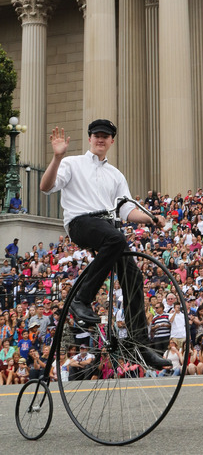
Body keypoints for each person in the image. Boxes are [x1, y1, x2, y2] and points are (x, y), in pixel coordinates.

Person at [40, 121, 171, 371]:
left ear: (112, 141)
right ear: (89, 139)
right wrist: (57, 157)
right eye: (96, 135)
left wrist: (151, 218)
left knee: (133, 274)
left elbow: (126, 209)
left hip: (107, 229)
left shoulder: (116, 175)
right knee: (116, 239)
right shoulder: (72, 163)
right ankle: (82, 299)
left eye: (106, 136)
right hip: (81, 222)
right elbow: (46, 187)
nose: (101, 139)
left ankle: (139, 345)